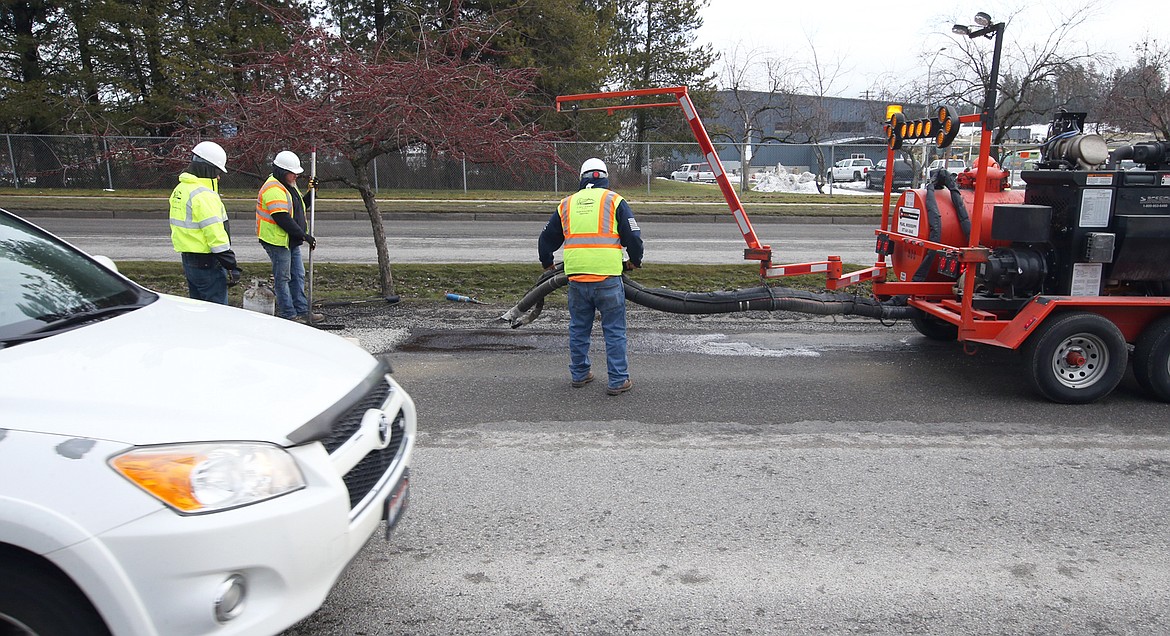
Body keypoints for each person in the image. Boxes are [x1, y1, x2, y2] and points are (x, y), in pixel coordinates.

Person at [539, 158, 643, 395]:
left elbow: (546, 238)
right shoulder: (615, 200)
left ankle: (579, 374)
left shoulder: (566, 204)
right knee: (614, 330)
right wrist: (634, 261)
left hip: (576, 279)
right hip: (607, 278)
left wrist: (547, 263)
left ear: (581, 177)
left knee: (579, 328)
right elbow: (633, 236)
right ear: (605, 176)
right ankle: (618, 380)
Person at [169, 141, 240, 304]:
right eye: (217, 172)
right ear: (207, 169)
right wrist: (231, 264)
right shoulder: (204, 195)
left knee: (198, 307)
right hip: (208, 263)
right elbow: (215, 233)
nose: (218, 177)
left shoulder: (181, 189)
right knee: (216, 311)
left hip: (189, 260)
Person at [255, 150, 322, 323]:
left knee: (298, 275)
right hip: (276, 241)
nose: (296, 177)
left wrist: (311, 193)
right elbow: (282, 218)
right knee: (283, 278)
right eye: (293, 173)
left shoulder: (288, 187)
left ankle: (302, 309)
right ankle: (288, 314)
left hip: (290, 240)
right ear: (283, 172)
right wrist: (304, 235)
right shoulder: (273, 189)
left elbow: (300, 207)